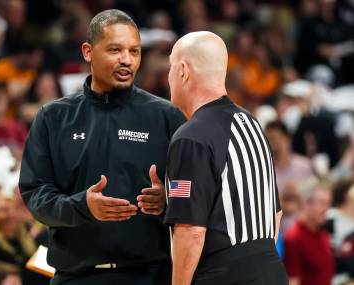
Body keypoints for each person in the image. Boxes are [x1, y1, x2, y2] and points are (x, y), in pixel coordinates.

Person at [19, 9, 185, 285]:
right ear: (87, 51)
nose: (127, 60)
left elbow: (193, 184)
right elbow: (35, 196)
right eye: (115, 50)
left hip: (149, 275)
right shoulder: (53, 118)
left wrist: (169, 198)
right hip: (75, 277)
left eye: (134, 51)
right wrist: (81, 206)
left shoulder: (166, 116)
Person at [164, 31, 288, 285]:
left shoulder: (191, 136)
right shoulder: (251, 123)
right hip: (271, 270)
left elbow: (192, 231)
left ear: (183, 71)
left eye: (171, 67)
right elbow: (276, 214)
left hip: (225, 274)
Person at [284, 179, 334, 285]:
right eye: (322, 203)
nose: (327, 209)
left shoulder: (322, 233)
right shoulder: (294, 237)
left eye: (328, 203)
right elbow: (293, 280)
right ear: (306, 204)